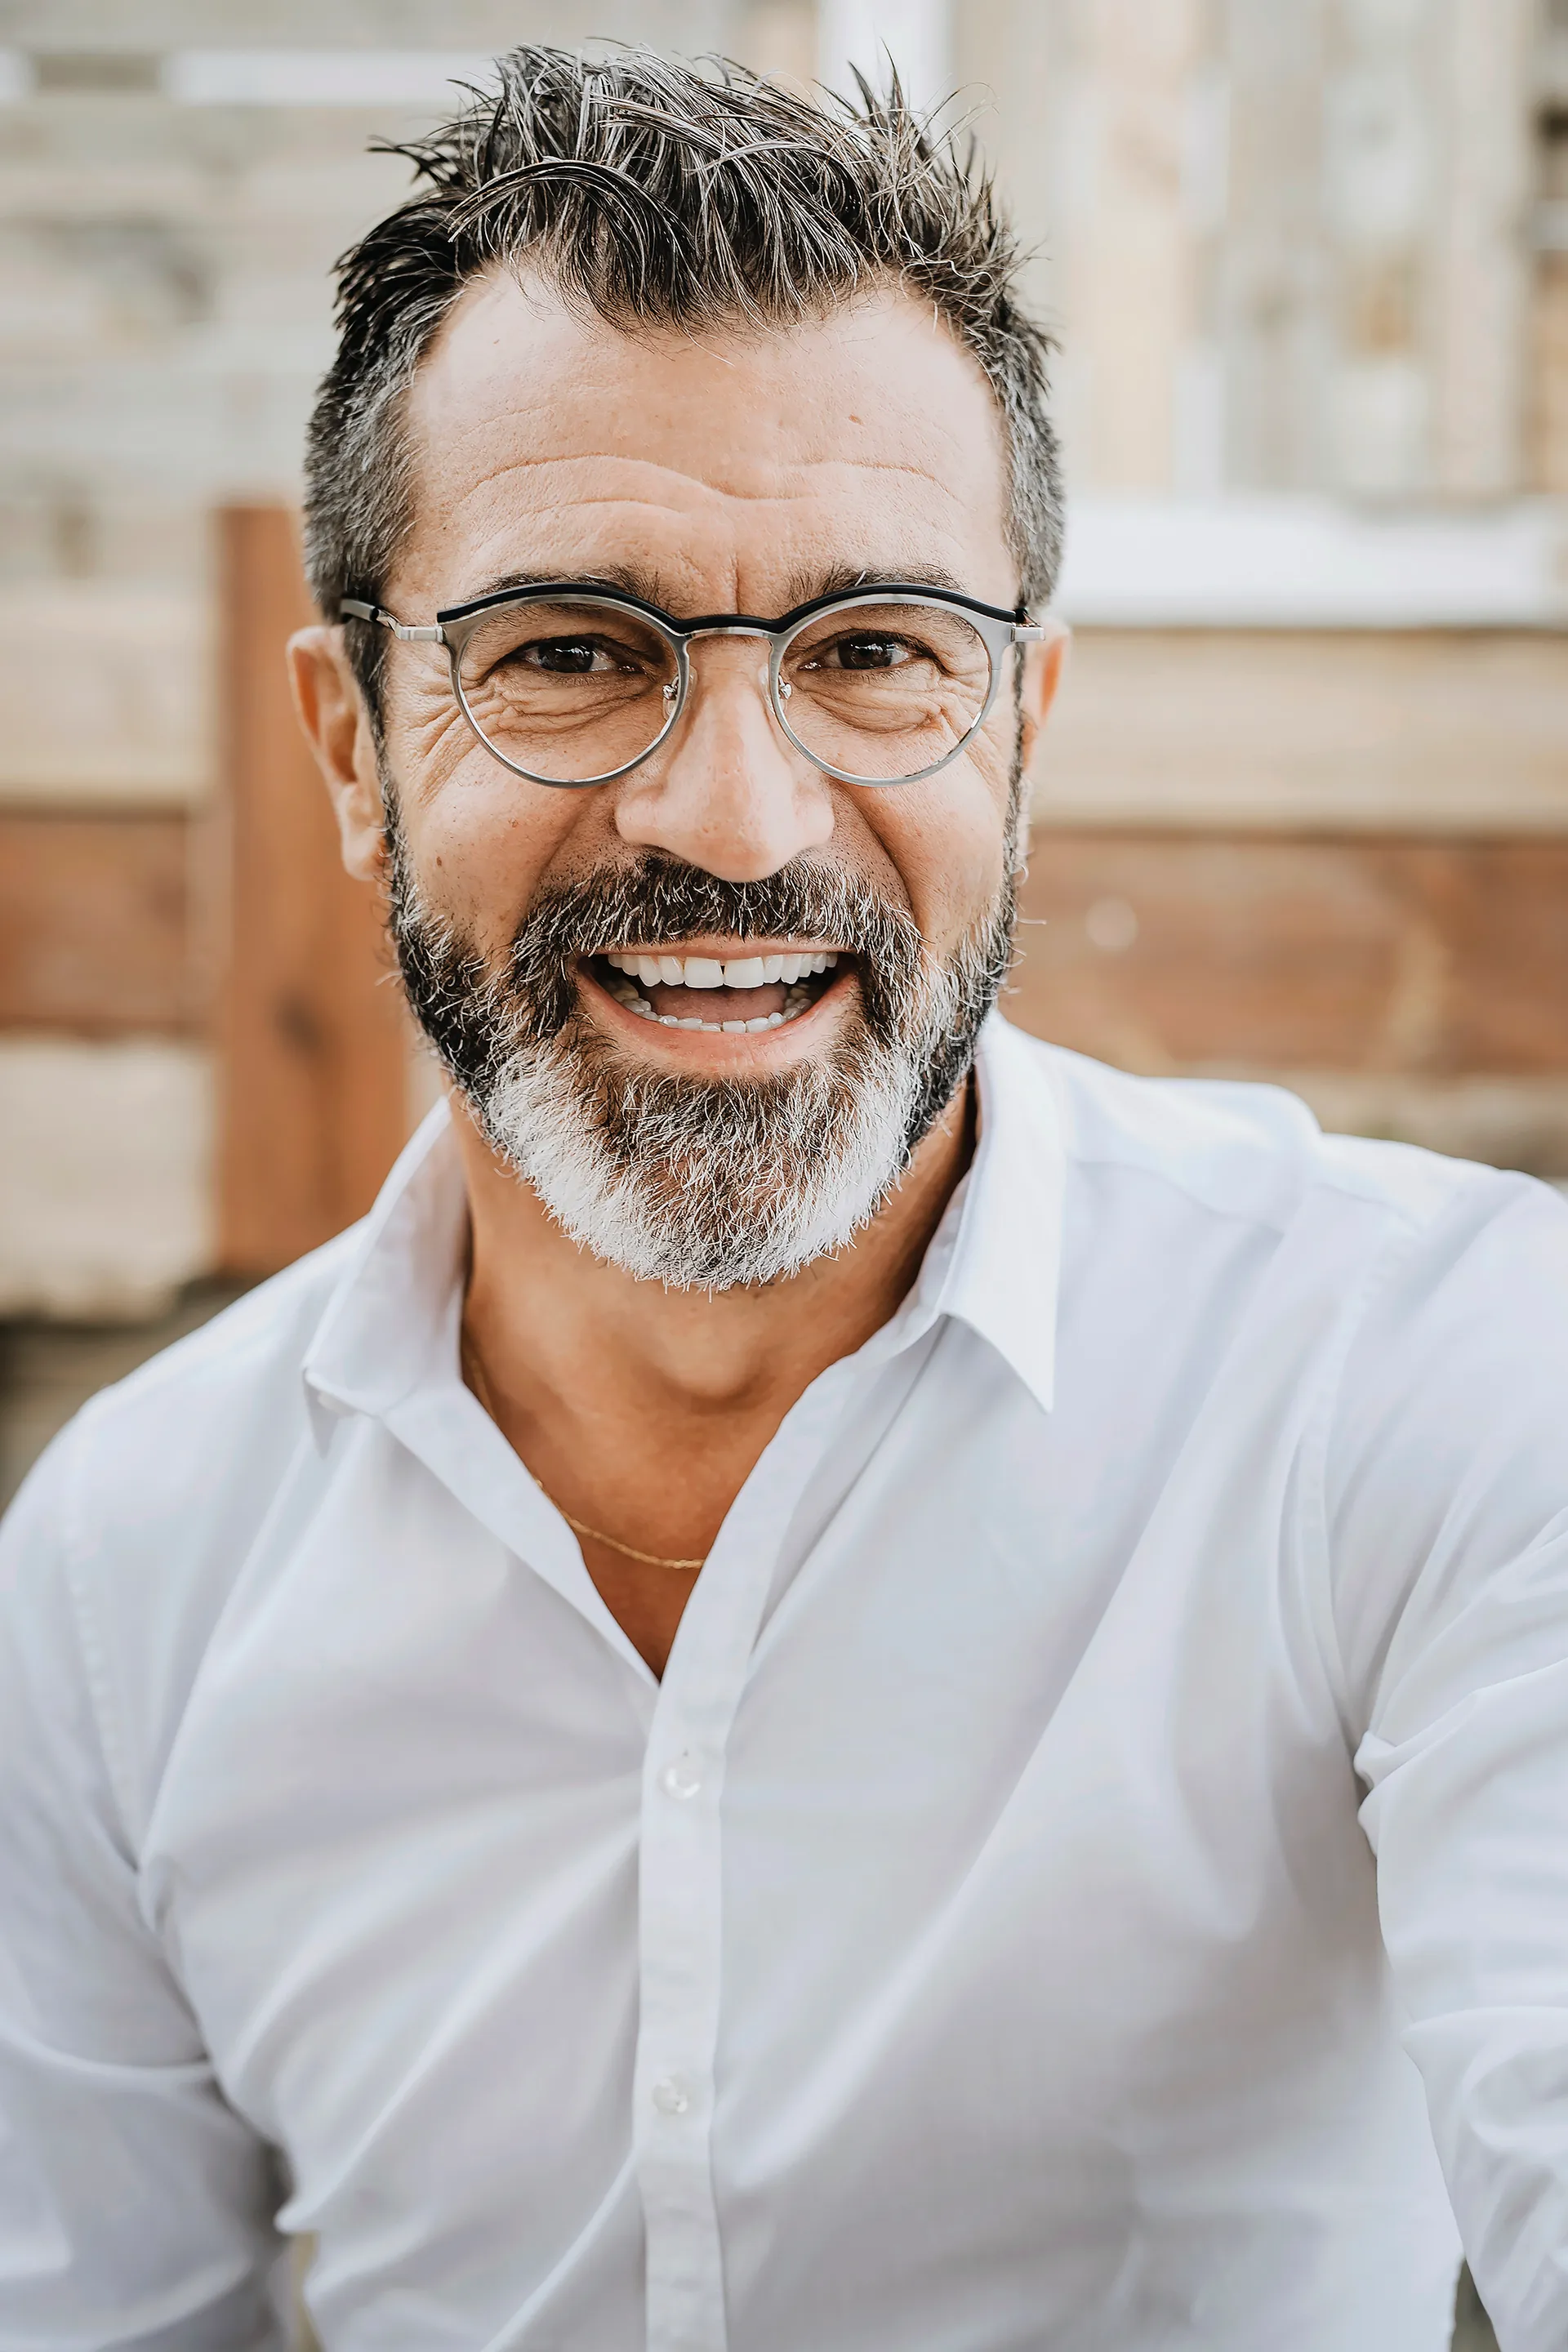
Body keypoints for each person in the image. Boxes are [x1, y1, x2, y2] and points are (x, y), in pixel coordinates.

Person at [2, 43, 1565, 2352]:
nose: (735, 821)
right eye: (567, 652)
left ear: (1022, 729)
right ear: (352, 750)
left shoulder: (1427, 1383)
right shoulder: (128, 1567)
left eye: (871, 654)